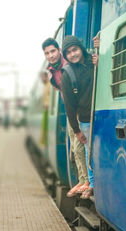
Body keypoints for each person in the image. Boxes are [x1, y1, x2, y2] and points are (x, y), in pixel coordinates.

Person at [42, 38, 89, 196]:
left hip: (79, 109)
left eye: (53, 51)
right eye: (47, 53)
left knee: (79, 145)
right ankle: (82, 180)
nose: (51, 55)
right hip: (70, 108)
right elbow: (60, 89)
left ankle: (85, 181)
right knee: (75, 147)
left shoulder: (69, 64)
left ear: (59, 51)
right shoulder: (50, 71)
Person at [60, 35, 98, 199]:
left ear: (81, 48)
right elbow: (69, 106)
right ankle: (92, 183)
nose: (73, 54)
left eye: (75, 49)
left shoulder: (94, 60)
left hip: (101, 115)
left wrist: (99, 61)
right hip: (84, 119)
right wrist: (76, 131)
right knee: (89, 151)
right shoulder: (67, 75)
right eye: (68, 53)